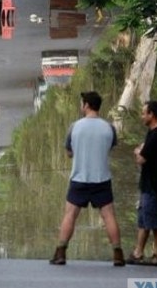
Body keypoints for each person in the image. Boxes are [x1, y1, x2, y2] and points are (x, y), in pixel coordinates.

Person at [49, 91, 125, 267]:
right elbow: (111, 147)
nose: (80, 105)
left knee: (70, 215)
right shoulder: (109, 127)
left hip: (79, 179)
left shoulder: (74, 127)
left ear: (86, 105)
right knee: (108, 216)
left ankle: (60, 252)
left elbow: (69, 152)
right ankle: (118, 254)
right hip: (102, 179)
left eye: (81, 103)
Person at [127, 101, 157, 266]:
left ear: (152, 115)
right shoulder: (152, 133)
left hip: (154, 186)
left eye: (144, 113)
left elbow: (141, 159)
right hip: (147, 185)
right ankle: (138, 253)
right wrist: (141, 151)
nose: (142, 116)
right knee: (143, 220)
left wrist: (138, 152)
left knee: (155, 222)